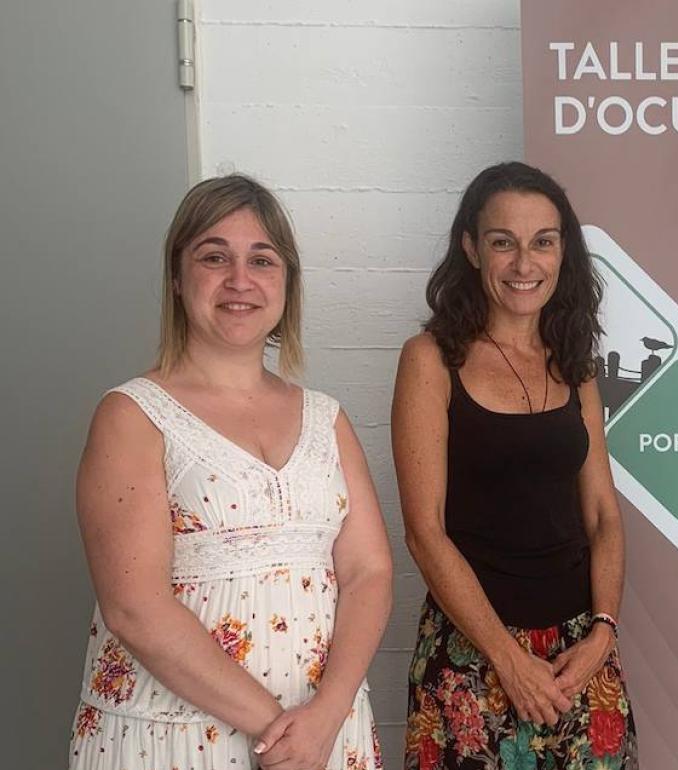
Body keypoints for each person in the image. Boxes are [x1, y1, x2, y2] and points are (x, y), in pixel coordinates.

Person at [70, 175, 392, 770]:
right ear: (177, 275)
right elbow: (134, 606)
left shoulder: (327, 418)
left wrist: (327, 715)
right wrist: (282, 732)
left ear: (287, 283)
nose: (240, 280)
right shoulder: (133, 416)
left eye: (262, 260)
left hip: (324, 733)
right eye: (214, 257)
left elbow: (369, 571)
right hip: (172, 739)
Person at [393, 162, 638, 769]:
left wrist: (603, 633)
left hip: (578, 658)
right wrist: (507, 658)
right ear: (472, 249)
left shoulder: (574, 360)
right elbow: (424, 532)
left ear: (563, 253)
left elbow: (604, 514)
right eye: (504, 242)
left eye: (543, 243)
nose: (525, 265)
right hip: (474, 656)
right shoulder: (429, 359)